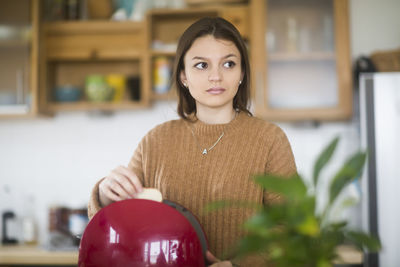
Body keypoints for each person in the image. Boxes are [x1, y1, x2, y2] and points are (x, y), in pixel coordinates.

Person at [87, 17, 296, 266]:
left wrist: (238, 265)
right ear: (183, 76)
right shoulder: (155, 141)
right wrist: (105, 195)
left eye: (228, 64)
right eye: (201, 65)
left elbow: (291, 227)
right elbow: (122, 223)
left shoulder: (270, 140)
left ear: (241, 73)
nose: (216, 76)